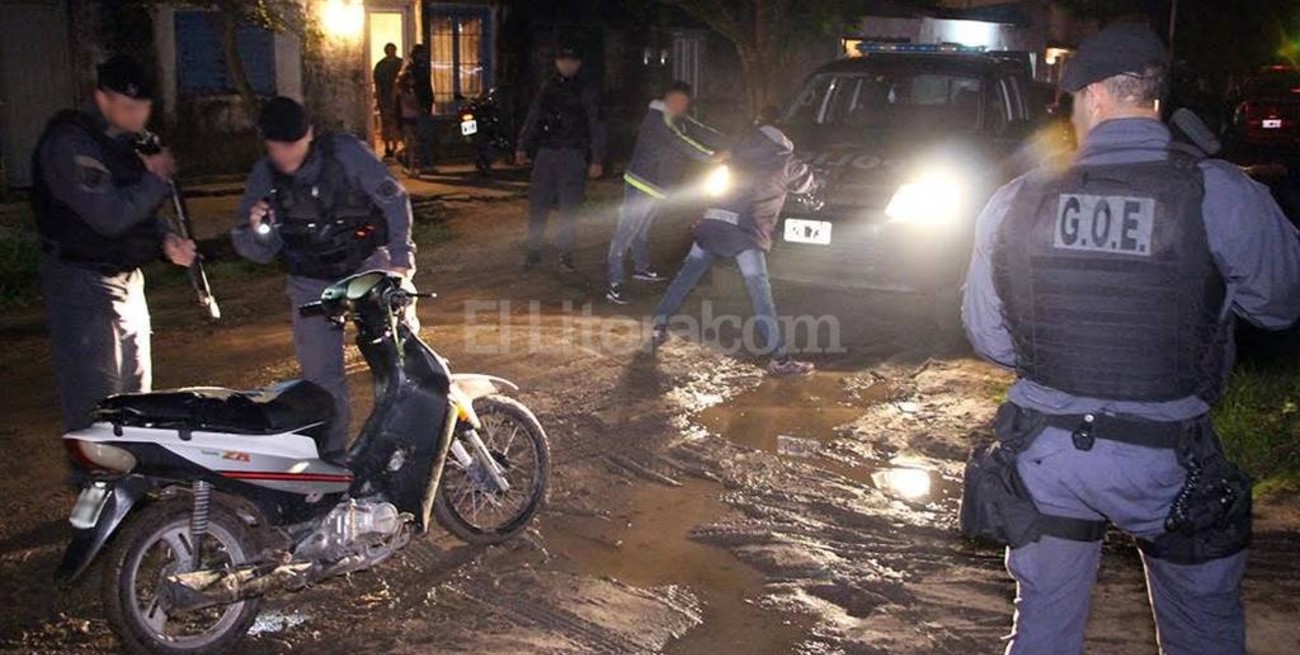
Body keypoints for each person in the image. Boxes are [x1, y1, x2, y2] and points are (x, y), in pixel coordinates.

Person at [960, 24, 1300, 655]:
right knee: (1202, 632)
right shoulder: (1219, 190)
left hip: (1048, 455)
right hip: (1168, 460)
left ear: (1089, 97)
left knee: (1042, 632)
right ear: (1154, 98)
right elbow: (1279, 307)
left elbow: (991, 340)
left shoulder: (1016, 200)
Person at [230, 97, 416, 456]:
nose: (286, 154)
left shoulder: (346, 154)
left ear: (310, 134)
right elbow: (254, 249)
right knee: (323, 383)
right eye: (276, 146)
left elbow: (394, 200)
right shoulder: (264, 178)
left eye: (293, 144)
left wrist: (400, 262)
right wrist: (255, 230)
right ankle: (333, 462)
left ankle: (406, 446)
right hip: (311, 283)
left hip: (365, 266)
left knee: (400, 359)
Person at [32, 54, 196, 432]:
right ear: (101, 98)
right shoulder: (71, 142)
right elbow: (109, 216)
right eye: (127, 106)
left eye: (144, 107)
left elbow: (135, 215)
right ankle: (99, 488)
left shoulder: (124, 143)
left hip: (126, 282)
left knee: (138, 400)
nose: (138, 115)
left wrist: (164, 239)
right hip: (82, 285)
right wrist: (155, 178)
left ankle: (135, 490)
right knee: (99, 409)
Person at [650, 121, 818, 377]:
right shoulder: (785, 160)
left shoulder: (739, 154)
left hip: (713, 223)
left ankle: (658, 324)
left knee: (686, 277)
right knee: (760, 293)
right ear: (782, 143)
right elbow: (808, 183)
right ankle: (781, 360)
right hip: (745, 232)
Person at [606, 81, 729, 304]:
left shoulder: (677, 117)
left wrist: (733, 142)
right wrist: (712, 157)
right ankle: (615, 284)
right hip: (642, 182)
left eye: (684, 102)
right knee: (626, 231)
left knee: (642, 229)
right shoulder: (657, 120)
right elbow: (681, 142)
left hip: (656, 186)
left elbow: (699, 130)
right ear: (667, 99)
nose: (681, 105)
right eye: (676, 100)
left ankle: (641, 268)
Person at [515, 46, 607, 272]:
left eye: (571, 61)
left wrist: (597, 158)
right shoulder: (548, 86)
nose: (566, 65)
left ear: (578, 64)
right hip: (546, 153)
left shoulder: (586, 89)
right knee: (538, 205)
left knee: (569, 208)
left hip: (573, 154)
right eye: (562, 61)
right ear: (556, 63)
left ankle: (566, 254)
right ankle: (534, 252)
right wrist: (522, 146)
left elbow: (596, 124)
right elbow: (534, 116)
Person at [372, 42, 403, 159]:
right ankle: (388, 146)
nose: (391, 52)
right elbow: (378, 84)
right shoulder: (381, 66)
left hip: (397, 99)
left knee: (396, 123)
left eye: (392, 50)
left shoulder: (399, 63)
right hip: (386, 98)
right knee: (387, 123)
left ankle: (395, 146)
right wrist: (379, 98)